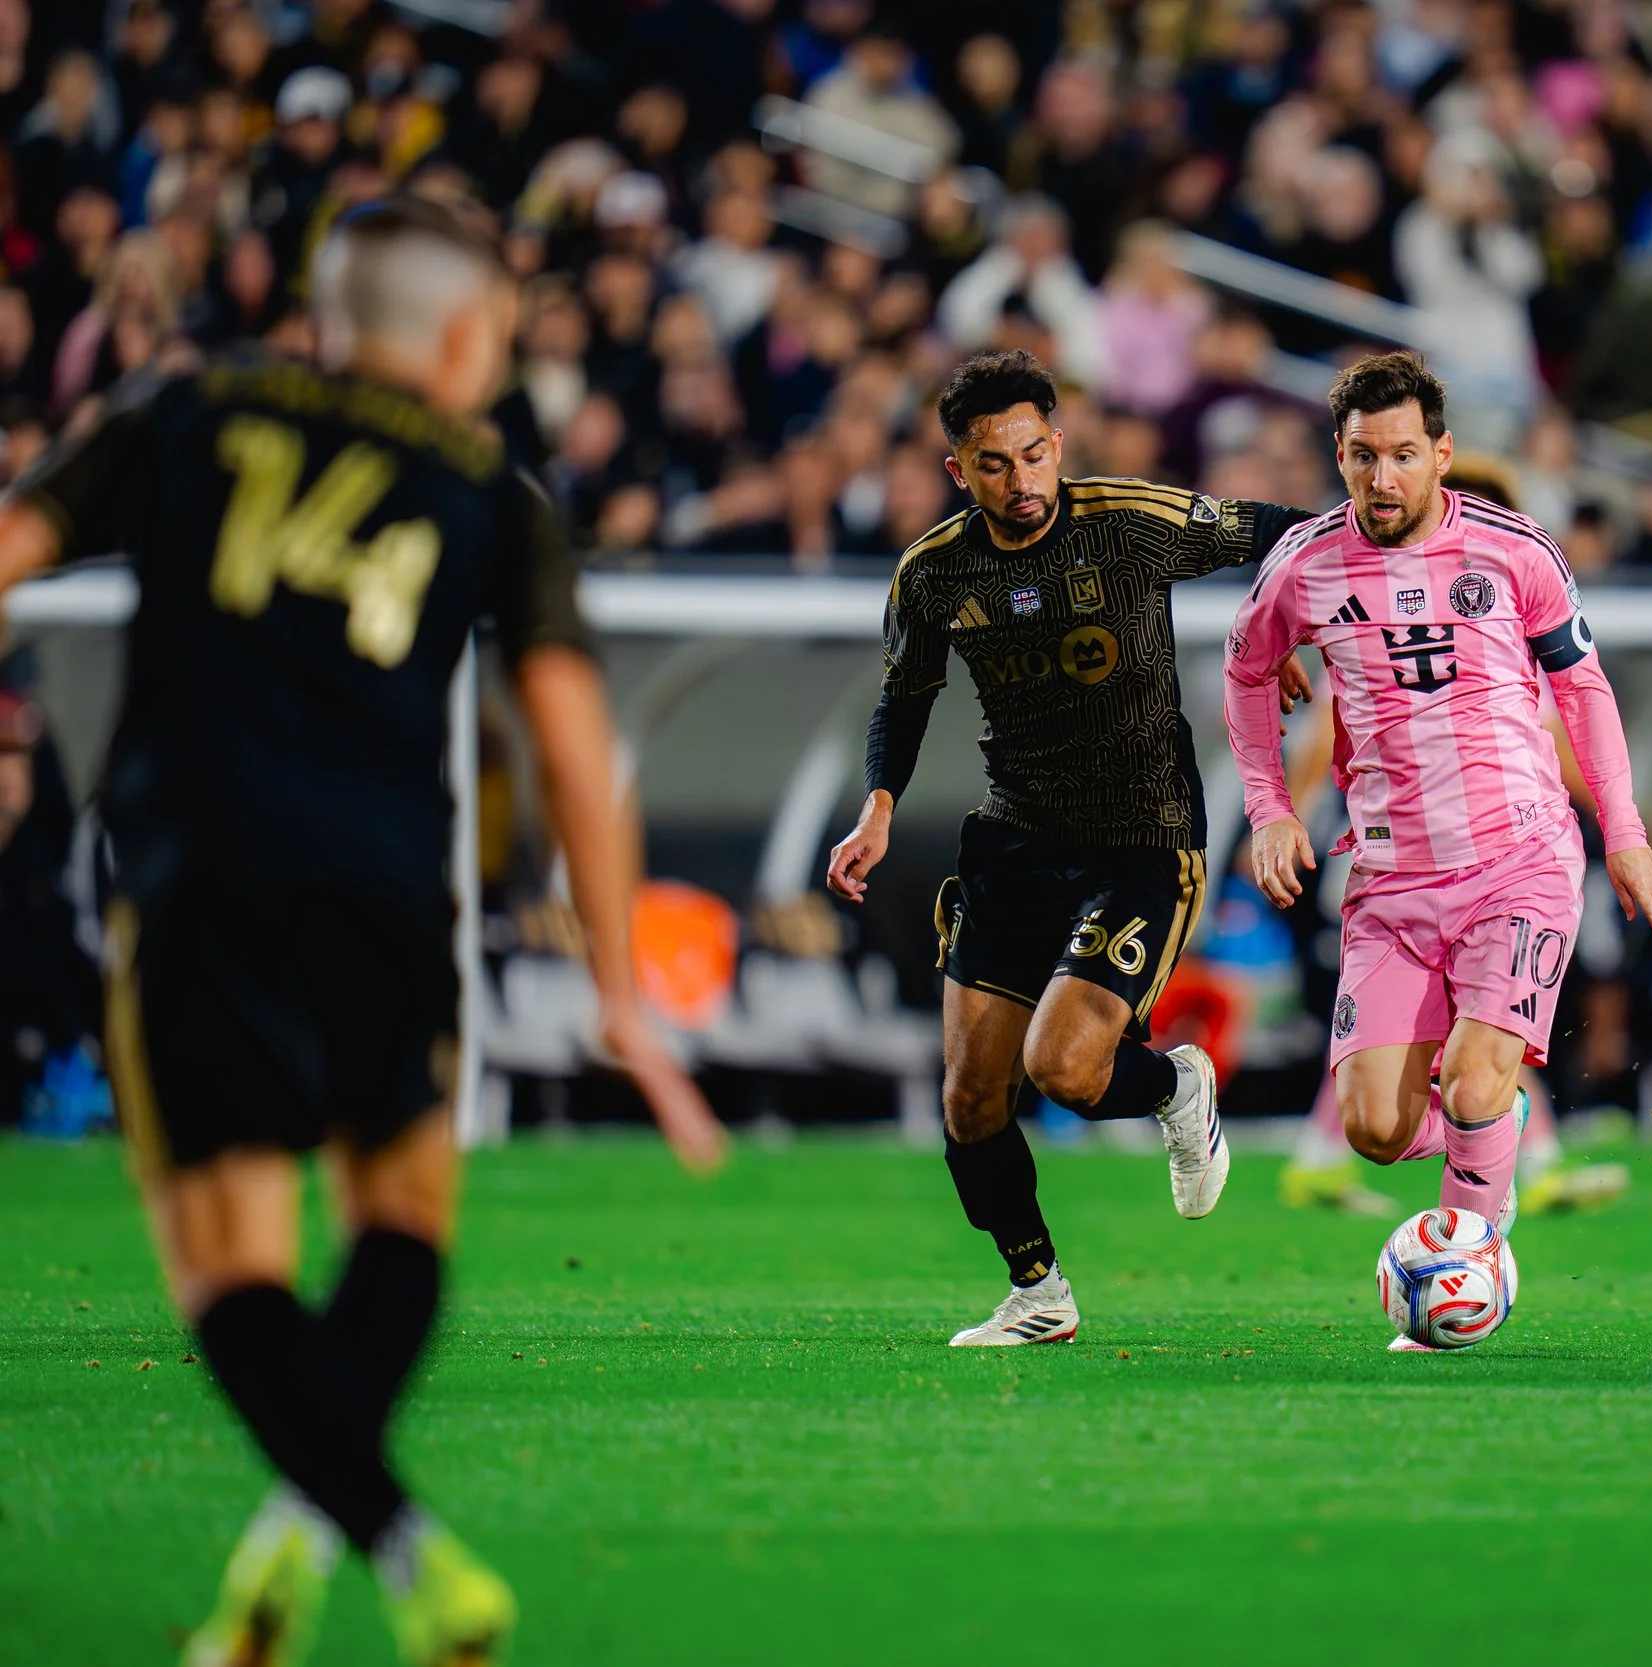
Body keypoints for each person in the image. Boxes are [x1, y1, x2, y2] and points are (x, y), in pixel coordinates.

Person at [0, 198, 725, 1667]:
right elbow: (578, 750)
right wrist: (621, 991)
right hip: (392, 888)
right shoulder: (489, 483)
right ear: (466, 337)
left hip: (200, 877)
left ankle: (404, 1550)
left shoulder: (182, 406)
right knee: (401, 1224)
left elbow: (12, 542)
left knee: (230, 1272)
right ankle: (293, 1546)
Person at [823, 348, 1313, 1347]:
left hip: (1142, 838)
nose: (1022, 480)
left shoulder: (1129, 521)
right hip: (1014, 839)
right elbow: (903, 698)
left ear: (1059, 442)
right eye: (994, 463)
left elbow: (1285, 532)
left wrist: (1283, 630)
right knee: (967, 1095)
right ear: (960, 469)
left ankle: (1176, 1082)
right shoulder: (935, 573)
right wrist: (877, 804)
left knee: (1067, 1069)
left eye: (1035, 453)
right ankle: (1038, 1291)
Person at [1222, 351, 1652, 1350]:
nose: (1381, 477)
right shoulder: (1305, 564)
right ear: (1338, 458)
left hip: (1519, 858)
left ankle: (1467, 1259)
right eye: (1360, 457)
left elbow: (1584, 694)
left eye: (1400, 454)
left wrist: (1627, 837)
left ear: (1439, 453)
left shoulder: (1515, 551)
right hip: (1389, 878)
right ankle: (1493, 1141)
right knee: (1374, 1128)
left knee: (1479, 1079)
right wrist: (1269, 807)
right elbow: (1246, 668)